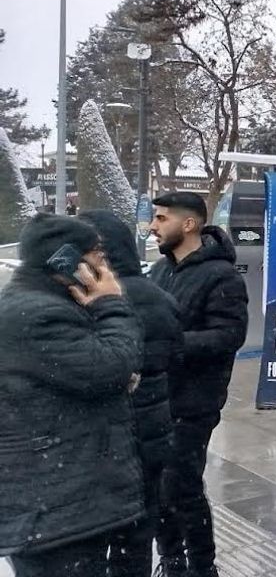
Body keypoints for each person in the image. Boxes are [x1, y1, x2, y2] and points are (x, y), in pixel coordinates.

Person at [0, 214, 144, 576]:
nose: (105, 265)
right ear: (65, 260)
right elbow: (110, 367)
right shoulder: (38, 313)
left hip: (55, 500)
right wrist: (111, 303)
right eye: (97, 254)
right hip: (56, 510)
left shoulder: (35, 302)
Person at [148, 191, 249, 577]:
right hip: (157, 400)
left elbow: (229, 335)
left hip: (194, 404)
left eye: (161, 218)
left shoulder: (222, 276)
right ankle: (172, 559)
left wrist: (171, 345)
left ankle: (202, 566)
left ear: (188, 224)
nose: (153, 226)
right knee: (158, 486)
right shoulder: (160, 271)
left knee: (182, 487)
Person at [80, 210, 182, 577]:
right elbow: (176, 357)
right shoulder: (160, 297)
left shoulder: (90, 300)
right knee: (136, 535)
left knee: (90, 541)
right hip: (151, 436)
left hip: (99, 441)